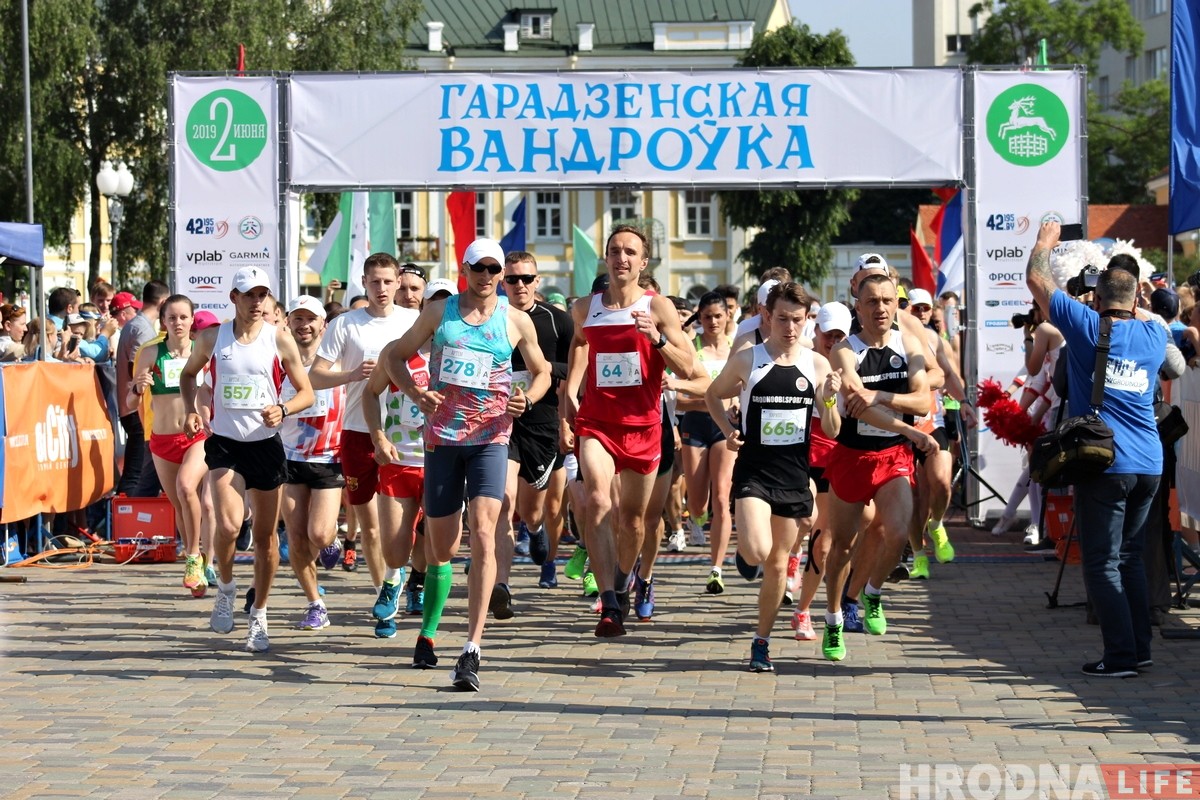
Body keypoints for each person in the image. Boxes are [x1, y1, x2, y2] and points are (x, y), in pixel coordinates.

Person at [385, 238, 550, 691]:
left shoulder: (514, 319)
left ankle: (472, 648)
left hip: (492, 438)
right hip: (442, 439)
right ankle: (430, 628)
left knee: (484, 531)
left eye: (495, 269)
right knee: (442, 547)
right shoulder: (439, 313)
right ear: (465, 269)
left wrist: (527, 399)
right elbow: (394, 357)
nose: (487, 276)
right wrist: (416, 393)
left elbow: (541, 372)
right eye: (480, 268)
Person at [1026, 221, 1165, 678]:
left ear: (1098, 300)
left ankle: (1120, 656)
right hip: (1149, 463)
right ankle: (1139, 649)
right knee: (1129, 557)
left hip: (1106, 461)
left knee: (1102, 563)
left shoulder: (1087, 325)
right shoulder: (1154, 335)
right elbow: (1149, 314)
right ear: (1137, 298)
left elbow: (1037, 280)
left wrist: (1045, 242)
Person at [563, 224, 699, 637]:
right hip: (597, 422)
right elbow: (579, 344)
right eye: (615, 251)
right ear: (606, 258)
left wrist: (657, 339)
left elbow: (688, 367)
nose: (621, 258)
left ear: (643, 262)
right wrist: (570, 392)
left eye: (630, 252)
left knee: (634, 521)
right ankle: (609, 602)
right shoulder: (585, 307)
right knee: (598, 500)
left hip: (643, 426)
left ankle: (623, 581)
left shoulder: (658, 308)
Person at [706, 282, 841, 672]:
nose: (790, 327)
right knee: (757, 551)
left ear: (806, 319)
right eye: (782, 319)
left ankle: (761, 642)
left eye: (798, 320)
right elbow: (713, 395)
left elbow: (832, 429)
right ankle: (744, 554)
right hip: (754, 472)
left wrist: (830, 398)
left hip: (794, 476)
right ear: (767, 316)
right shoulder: (749, 359)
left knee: (779, 566)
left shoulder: (816, 364)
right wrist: (728, 431)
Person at [180, 267, 315, 653]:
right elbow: (189, 376)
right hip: (225, 445)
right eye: (249, 294)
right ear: (234, 298)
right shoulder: (212, 337)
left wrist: (283, 409)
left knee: (266, 538)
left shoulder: (279, 338)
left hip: (265, 446)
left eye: (262, 295)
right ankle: (225, 588)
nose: (256, 302)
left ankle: (259, 613)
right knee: (227, 524)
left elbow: (305, 392)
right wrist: (191, 410)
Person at [821, 273, 937, 662]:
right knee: (841, 546)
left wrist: (882, 394)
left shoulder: (908, 345)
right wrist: (907, 427)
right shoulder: (844, 351)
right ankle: (834, 618)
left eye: (888, 300)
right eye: (872, 301)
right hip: (852, 455)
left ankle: (872, 592)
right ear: (858, 307)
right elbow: (858, 404)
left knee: (897, 532)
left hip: (893, 456)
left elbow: (923, 401)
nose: (881, 308)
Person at [309, 253, 420, 634]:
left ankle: (398, 580)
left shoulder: (414, 322)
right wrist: (352, 374)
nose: (382, 289)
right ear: (364, 283)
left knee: (398, 526)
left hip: (403, 434)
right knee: (369, 527)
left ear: (398, 282)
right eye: (375, 282)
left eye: (388, 281)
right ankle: (384, 600)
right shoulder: (346, 324)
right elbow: (316, 376)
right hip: (357, 431)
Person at [492, 250, 574, 613]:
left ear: (537, 281)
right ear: (502, 282)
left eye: (526, 278)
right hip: (500, 422)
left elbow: (578, 366)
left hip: (541, 422)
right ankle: (502, 585)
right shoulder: (492, 317)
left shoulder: (557, 320)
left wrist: (542, 368)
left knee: (532, 510)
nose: (519, 285)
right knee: (503, 502)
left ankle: (537, 530)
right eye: (512, 279)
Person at [128, 294, 211, 596]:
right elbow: (130, 402)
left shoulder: (203, 352)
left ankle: (193, 555)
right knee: (180, 504)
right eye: (172, 317)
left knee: (187, 488)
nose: (178, 323)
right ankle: (197, 566)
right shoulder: (151, 353)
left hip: (196, 436)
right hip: (162, 439)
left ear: (192, 320)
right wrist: (138, 388)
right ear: (162, 321)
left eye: (183, 317)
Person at [279, 295, 347, 632]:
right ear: (288, 322)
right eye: (298, 319)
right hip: (289, 456)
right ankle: (315, 604)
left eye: (311, 320)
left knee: (318, 533)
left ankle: (331, 540)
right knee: (295, 536)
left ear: (323, 324)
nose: (304, 326)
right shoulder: (279, 362)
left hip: (329, 457)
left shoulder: (337, 362)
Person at [676, 292, 736, 590]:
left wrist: (733, 406)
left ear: (728, 316)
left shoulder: (737, 348)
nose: (713, 322)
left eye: (718, 316)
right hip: (696, 426)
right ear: (699, 318)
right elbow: (679, 400)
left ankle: (716, 568)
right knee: (699, 504)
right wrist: (710, 402)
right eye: (707, 316)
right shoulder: (691, 346)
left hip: (726, 429)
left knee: (722, 497)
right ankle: (695, 518)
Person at [115, 282, 170, 498]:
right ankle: (128, 516)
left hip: (134, 407)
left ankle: (129, 514)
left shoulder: (136, 325)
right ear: (163, 303)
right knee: (137, 476)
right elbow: (137, 370)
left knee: (138, 474)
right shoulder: (143, 330)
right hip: (138, 409)